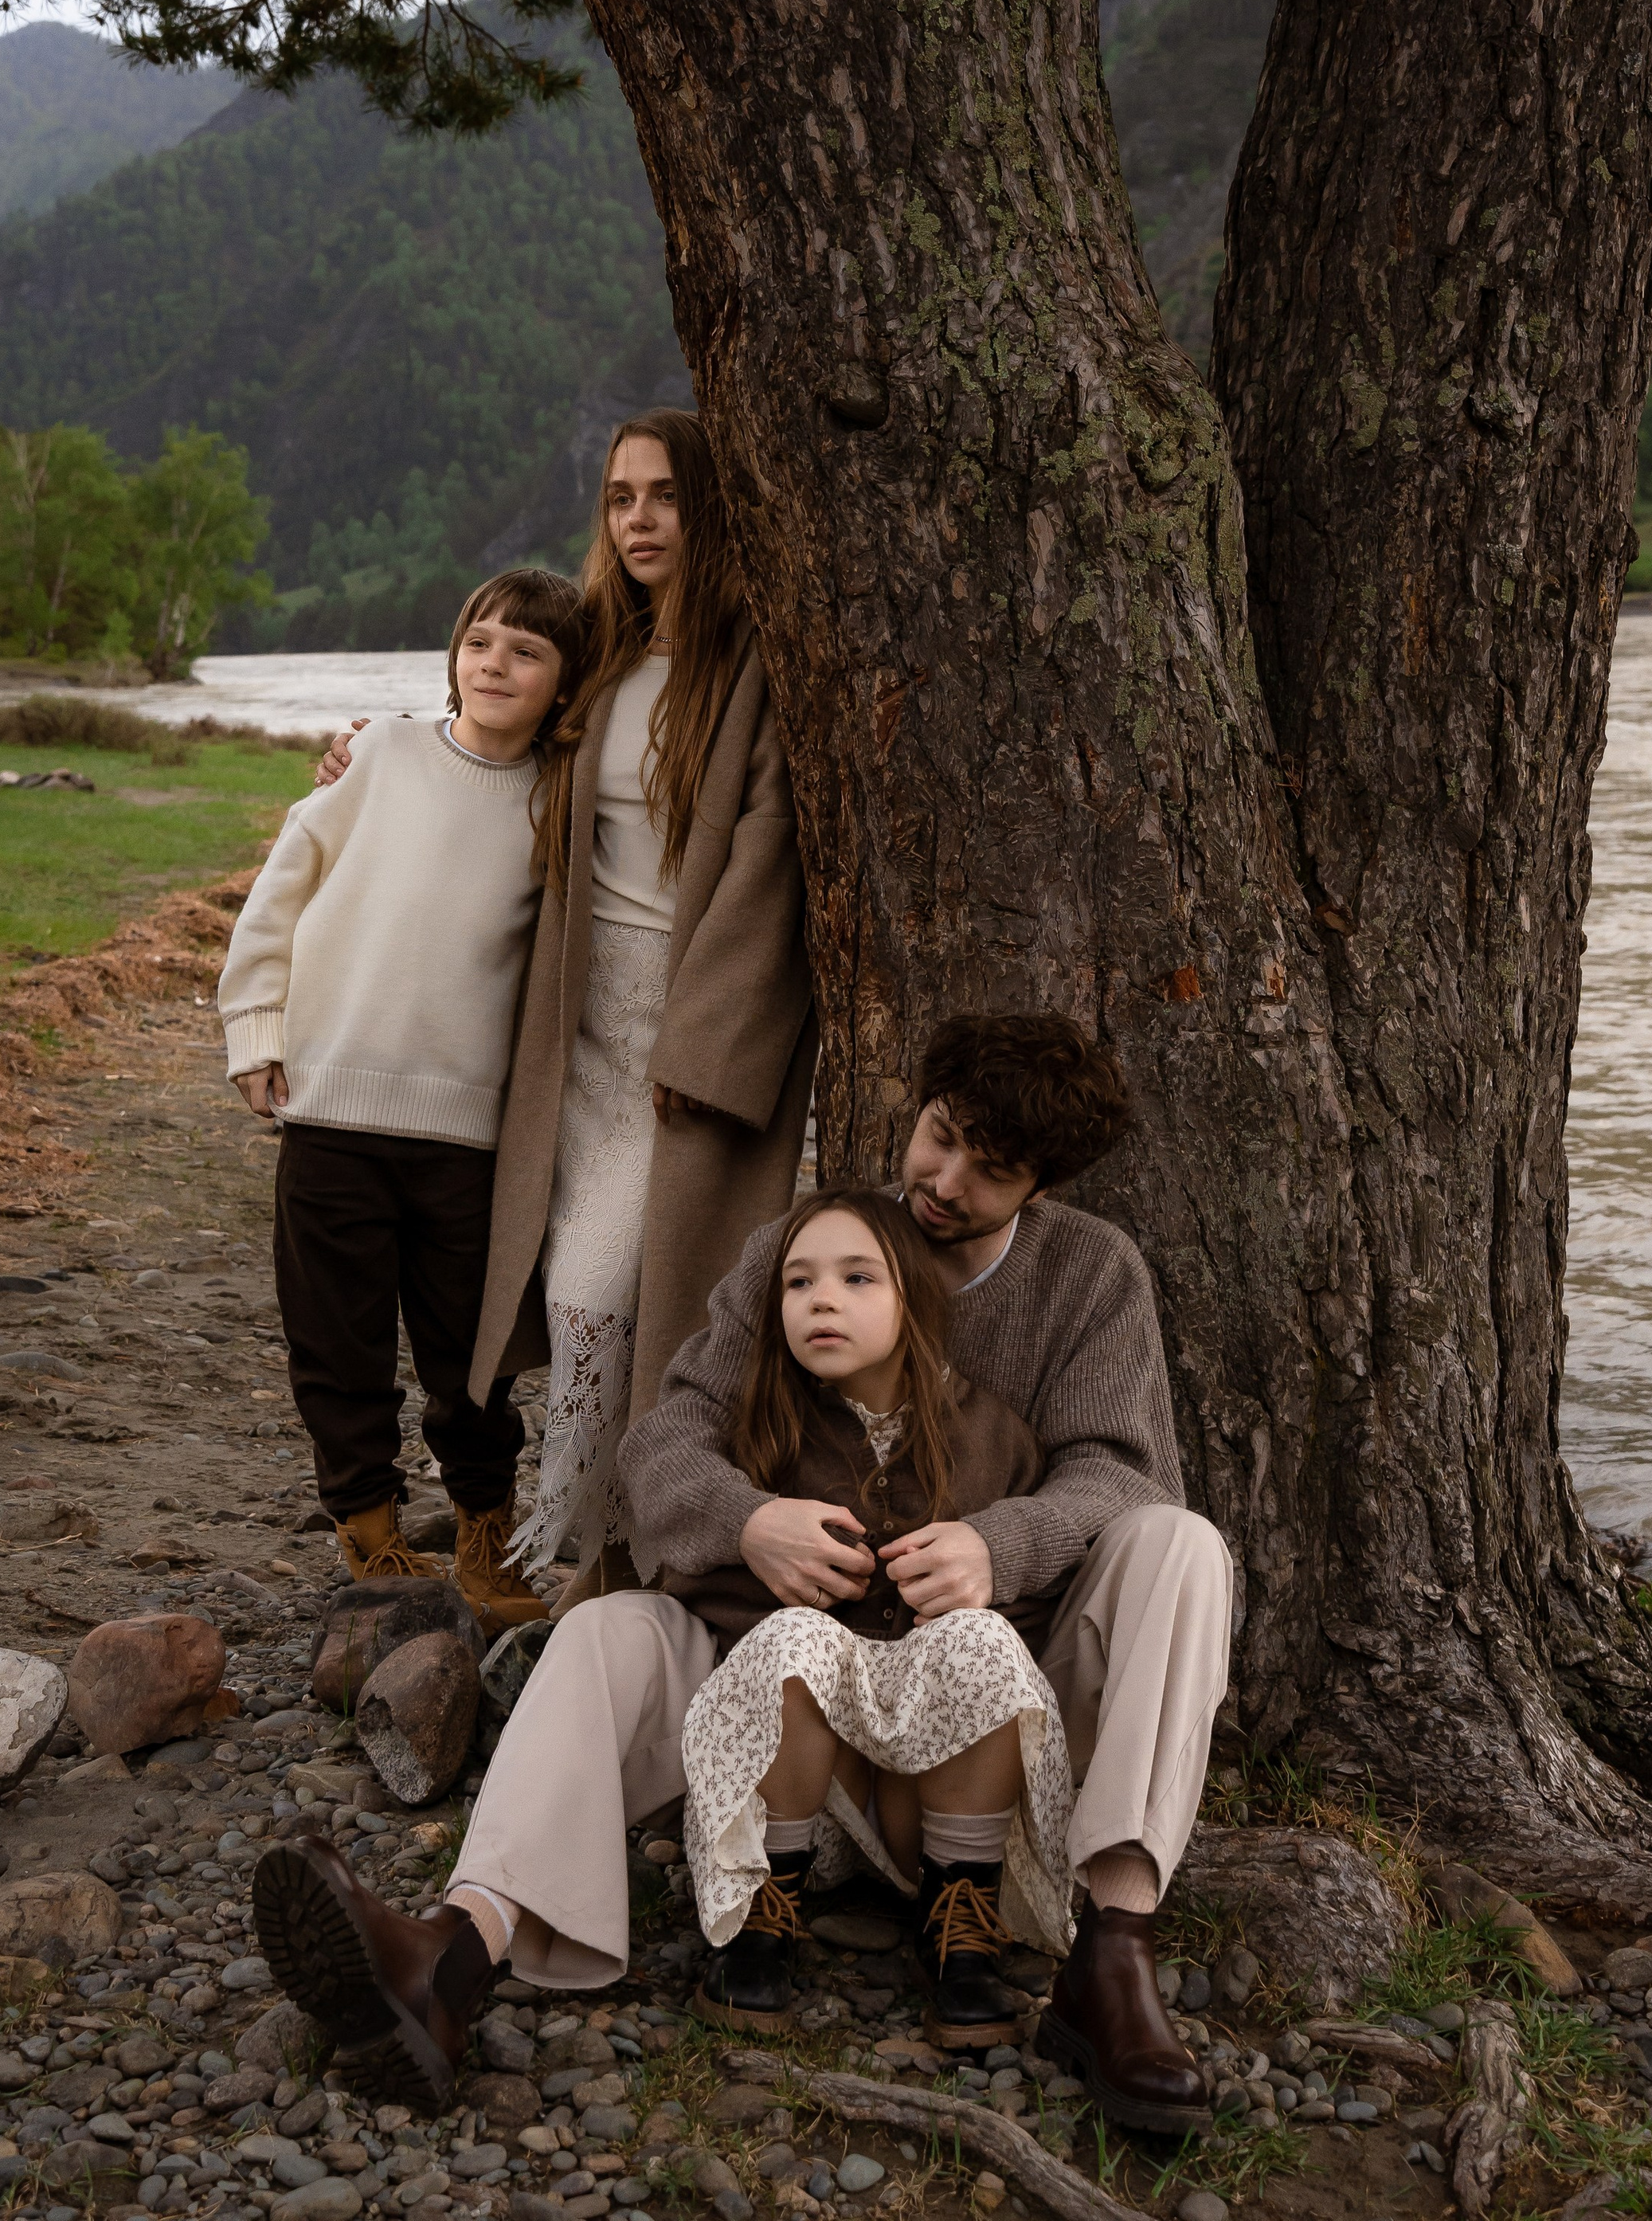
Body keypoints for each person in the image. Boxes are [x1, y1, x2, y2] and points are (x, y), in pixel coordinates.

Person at [252, 1014, 1235, 2137]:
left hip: (984, 1747)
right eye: (940, 1137)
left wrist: (999, 1544)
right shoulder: (805, 1248)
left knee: (1182, 1544)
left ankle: (1111, 1951)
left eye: (992, 1170)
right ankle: (456, 1953)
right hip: (783, 1736)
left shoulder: (1089, 1274)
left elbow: (1122, 1472)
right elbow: (668, 1440)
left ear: (1041, 1186)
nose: (946, 1181)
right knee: (612, 1630)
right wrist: (750, 1518)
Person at [309, 409, 815, 1598]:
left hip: (683, 1026)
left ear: (716, 511)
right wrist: (373, 754)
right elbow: (490, 724)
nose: (640, 520)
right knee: (569, 1288)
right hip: (572, 1023)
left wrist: (711, 1039)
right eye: (621, 498)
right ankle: (591, 1534)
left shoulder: (757, 663)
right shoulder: (596, 647)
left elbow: (767, 859)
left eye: (667, 497)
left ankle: (573, 1544)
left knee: (609, 1297)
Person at [217, 569, 585, 1633]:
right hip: (331, 1112)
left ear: (564, 686)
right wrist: (256, 1031)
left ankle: (483, 1525)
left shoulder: (558, 800)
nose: (496, 663)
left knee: (470, 1355)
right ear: (454, 654)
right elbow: (282, 889)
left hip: (467, 1136)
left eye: (526, 651)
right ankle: (370, 1533)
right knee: (335, 1340)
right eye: (482, 641)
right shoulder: (379, 755)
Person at [666, 1186, 1075, 2045]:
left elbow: (1040, 1601)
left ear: (914, 1302)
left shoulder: (989, 1432)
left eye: (858, 1279)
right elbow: (694, 1580)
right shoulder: (764, 1431)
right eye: (798, 1283)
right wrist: (777, 1565)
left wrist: (962, 1606)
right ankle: (763, 1909)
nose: (822, 1300)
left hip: (938, 1806)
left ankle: (960, 1931)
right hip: (813, 1796)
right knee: (790, 1636)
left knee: (985, 1636)